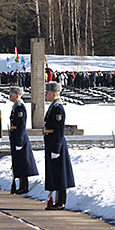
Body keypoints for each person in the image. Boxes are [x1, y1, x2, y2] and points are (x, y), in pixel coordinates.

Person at [44, 82, 75, 210]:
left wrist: (56, 147)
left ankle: (60, 201)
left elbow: (59, 130)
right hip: (51, 142)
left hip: (57, 144)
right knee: (55, 172)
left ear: (54, 93)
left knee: (59, 173)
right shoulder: (53, 106)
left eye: (47, 92)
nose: (45, 94)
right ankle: (57, 200)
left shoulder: (58, 108)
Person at [8, 86, 38, 194]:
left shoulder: (20, 107)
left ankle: (24, 186)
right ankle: (21, 185)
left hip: (19, 137)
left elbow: (21, 125)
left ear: (16, 95)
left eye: (11, 94)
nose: (9, 96)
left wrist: (19, 141)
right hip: (16, 136)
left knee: (22, 162)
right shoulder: (15, 107)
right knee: (19, 162)